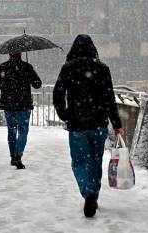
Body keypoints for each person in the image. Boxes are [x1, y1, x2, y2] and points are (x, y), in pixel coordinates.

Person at [53, 34, 124, 217]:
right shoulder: (102, 68)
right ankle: (93, 193)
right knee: (95, 160)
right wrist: (116, 123)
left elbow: (58, 94)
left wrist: (65, 114)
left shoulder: (68, 68)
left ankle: (87, 192)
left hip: (77, 124)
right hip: (98, 123)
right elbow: (109, 98)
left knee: (79, 161)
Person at [0, 53, 42, 169]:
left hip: (8, 105)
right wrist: (29, 76)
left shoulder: (3, 67)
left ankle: (12, 156)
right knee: (23, 131)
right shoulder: (27, 67)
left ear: (9, 54)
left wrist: (5, 79)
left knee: (12, 131)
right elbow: (37, 84)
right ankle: (18, 156)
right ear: (20, 54)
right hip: (24, 105)